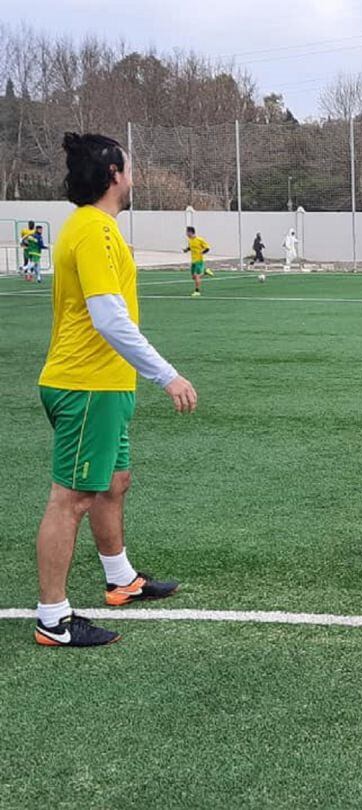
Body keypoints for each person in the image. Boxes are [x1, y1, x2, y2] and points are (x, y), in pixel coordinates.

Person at [33, 132, 197, 648]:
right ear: (113, 175)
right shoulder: (94, 231)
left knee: (114, 481)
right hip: (86, 387)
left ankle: (121, 579)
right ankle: (52, 619)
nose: (135, 174)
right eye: (130, 166)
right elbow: (109, 318)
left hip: (104, 386)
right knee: (71, 498)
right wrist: (166, 374)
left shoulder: (93, 227)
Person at [183, 226, 212, 297]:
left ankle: (197, 291)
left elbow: (207, 248)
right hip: (193, 260)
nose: (186, 234)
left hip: (199, 260)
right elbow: (190, 247)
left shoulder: (200, 239)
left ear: (190, 232)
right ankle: (205, 272)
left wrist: (202, 253)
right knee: (193, 277)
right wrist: (186, 250)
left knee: (197, 276)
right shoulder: (190, 240)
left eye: (187, 232)